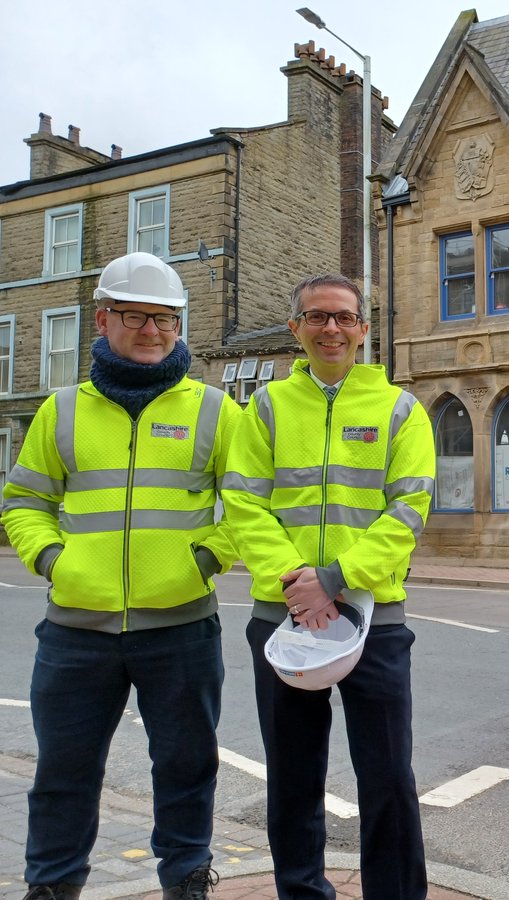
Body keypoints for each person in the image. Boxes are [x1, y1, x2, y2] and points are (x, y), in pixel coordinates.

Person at [2, 252, 239, 900]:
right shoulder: (61, 411)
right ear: (103, 320)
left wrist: (205, 560)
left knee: (187, 769)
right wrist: (55, 562)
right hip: (76, 631)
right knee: (63, 774)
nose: (153, 330)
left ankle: (186, 883)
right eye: (136, 316)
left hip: (182, 628)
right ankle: (52, 888)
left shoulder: (216, 411)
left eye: (166, 318)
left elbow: (251, 506)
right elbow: (24, 502)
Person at [221, 273, 435, 900]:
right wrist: (298, 583)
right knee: (292, 777)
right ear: (296, 328)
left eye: (344, 317)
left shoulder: (400, 410)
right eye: (317, 316)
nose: (331, 328)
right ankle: (302, 892)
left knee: (388, 777)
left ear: (363, 329)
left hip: (375, 619)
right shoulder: (265, 407)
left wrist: (336, 579)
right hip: (283, 616)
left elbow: (409, 511)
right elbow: (243, 502)